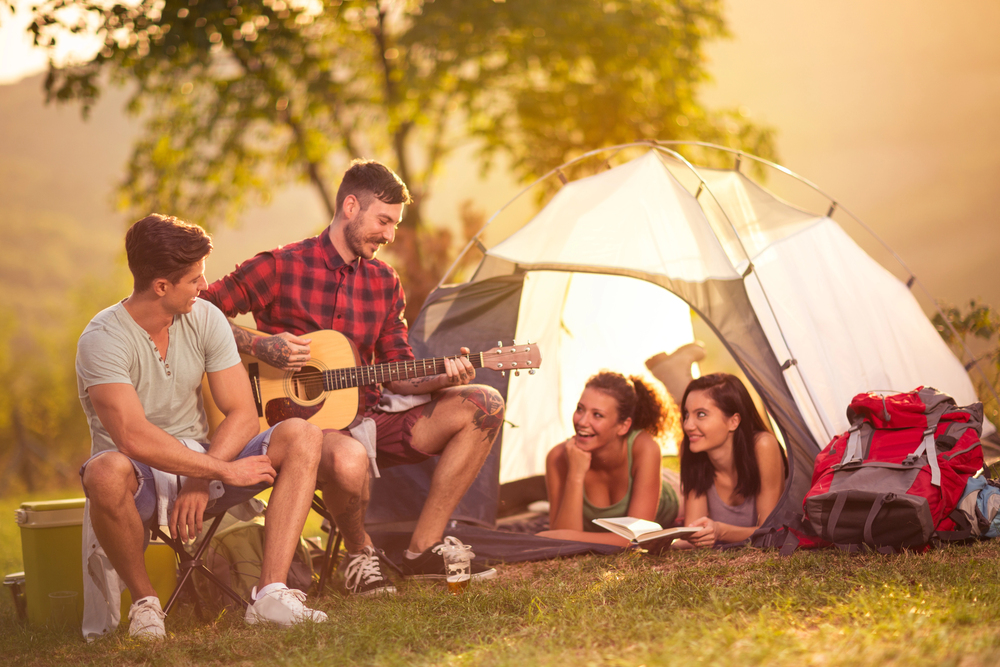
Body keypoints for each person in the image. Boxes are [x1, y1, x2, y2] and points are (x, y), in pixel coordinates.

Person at [201, 159, 504, 595]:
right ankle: (359, 552)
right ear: (349, 206)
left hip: (366, 417)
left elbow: (399, 372)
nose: (390, 234)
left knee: (484, 404)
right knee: (348, 458)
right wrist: (258, 345)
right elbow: (199, 311)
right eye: (383, 220)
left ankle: (423, 550)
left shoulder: (384, 282)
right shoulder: (280, 266)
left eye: (395, 224)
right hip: (293, 427)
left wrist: (443, 376)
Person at [77, 214, 327, 640]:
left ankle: (270, 594)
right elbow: (132, 436)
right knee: (102, 471)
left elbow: (243, 413)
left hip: (202, 460)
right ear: (161, 286)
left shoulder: (205, 317)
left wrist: (202, 472)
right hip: (138, 474)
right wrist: (222, 471)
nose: (203, 287)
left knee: (302, 434)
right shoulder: (102, 339)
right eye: (194, 279)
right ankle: (146, 605)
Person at [538, 372, 680, 547]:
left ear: (623, 426)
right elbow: (563, 544)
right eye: (580, 409)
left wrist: (565, 536)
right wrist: (575, 474)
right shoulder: (557, 457)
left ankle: (678, 379)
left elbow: (639, 537)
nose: (582, 421)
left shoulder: (644, 447)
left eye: (597, 415)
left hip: (673, 490)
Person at [679, 373, 787, 548]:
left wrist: (720, 531)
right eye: (686, 414)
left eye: (700, 414)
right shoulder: (692, 452)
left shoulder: (763, 445)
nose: (687, 426)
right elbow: (693, 535)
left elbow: (769, 532)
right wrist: (664, 542)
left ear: (733, 421)